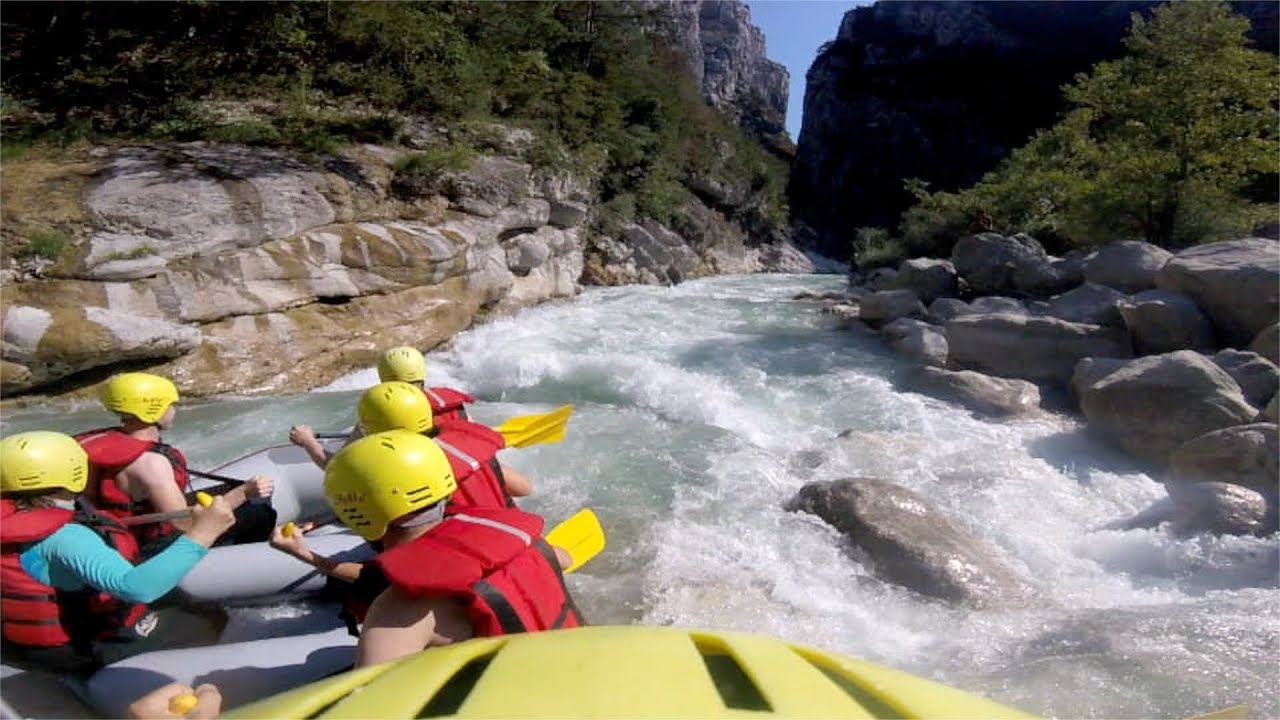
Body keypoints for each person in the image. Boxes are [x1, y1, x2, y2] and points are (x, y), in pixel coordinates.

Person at [322, 430, 582, 666]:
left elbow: (371, 704)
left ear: (356, 518)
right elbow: (565, 559)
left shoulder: (398, 609)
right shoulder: (525, 541)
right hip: (581, 670)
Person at [0, 431, 236, 675]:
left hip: (17, 642)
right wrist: (204, 532)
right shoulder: (66, 537)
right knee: (210, 618)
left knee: (172, 598)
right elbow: (136, 588)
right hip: (76, 650)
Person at [75, 372, 275, 557]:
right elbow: (183, 522)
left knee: (230, 495)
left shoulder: (94, 442)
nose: (173, 410)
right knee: (258, 511)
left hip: (108, 537)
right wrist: (244, 492)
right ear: (154, 409)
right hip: (146, 548)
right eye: (171, 405)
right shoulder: (152, 464)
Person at [288, 346, 474, 469]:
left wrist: (308, 442)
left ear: (383, 380)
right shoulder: (454, 406)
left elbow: (335, 467)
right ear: (422, 376)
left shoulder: (379, 415)